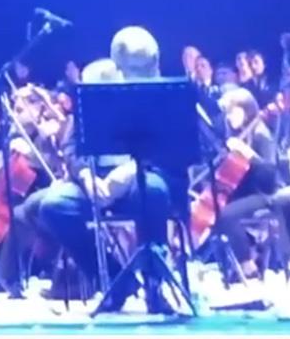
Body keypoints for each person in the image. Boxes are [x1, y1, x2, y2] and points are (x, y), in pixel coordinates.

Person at [18, 27, 174, 314]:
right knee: (54, 206)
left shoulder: (158, 94)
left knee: (153, 192)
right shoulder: (94, 90)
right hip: (95, 178)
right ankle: (116, 282)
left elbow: (171, 147)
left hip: (137, 176)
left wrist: (131, 170)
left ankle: (155, 285)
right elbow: (71, 146)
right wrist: (86, 177)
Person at [208, 88, 285, 280]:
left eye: (232, 112)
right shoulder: (240, 134)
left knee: (226, 214)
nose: (228, 118)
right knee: (215, 209)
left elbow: (269, 176)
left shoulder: (260, 134)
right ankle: (238, 258)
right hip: (247, 192)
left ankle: (247, 263)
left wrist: (248, 154)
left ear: (246, 109)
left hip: (265, 195)